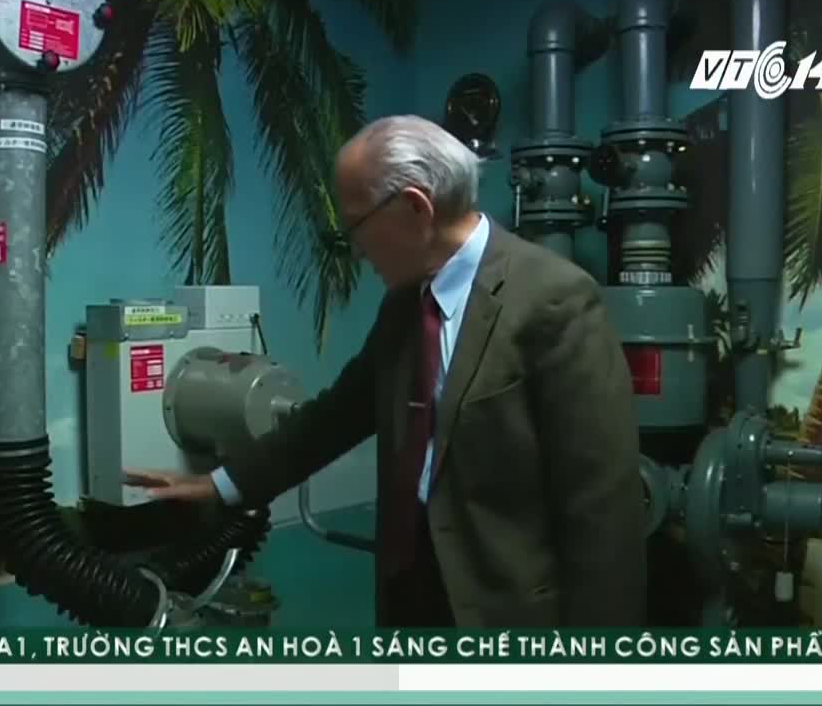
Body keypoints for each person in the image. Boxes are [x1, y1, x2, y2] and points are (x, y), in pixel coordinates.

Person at [127, 115, 646, 627]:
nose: (356, 249)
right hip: (409, 599)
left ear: (416, 208)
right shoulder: (404, 307)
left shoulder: (553, 298)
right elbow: (333, 418)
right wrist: (220, 485)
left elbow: (602, 507)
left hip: (505, 616)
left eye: (357, 225)